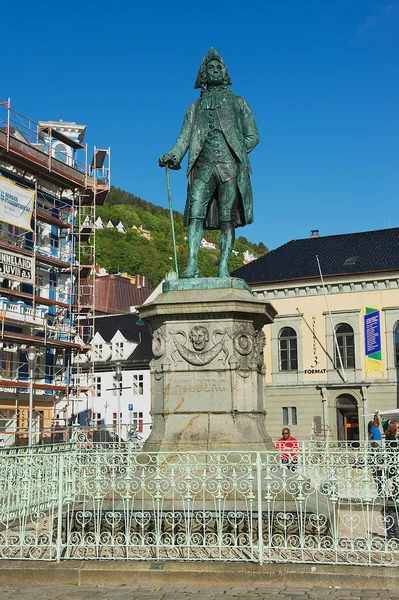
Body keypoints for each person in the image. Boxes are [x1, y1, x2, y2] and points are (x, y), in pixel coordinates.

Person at [159, 47, 260, 278]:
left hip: (229, 168)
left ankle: (223, 267)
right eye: (210, 68)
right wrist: (173, 155)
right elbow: (184, 137)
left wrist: (238, 153)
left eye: (218, 68)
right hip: (203, 168)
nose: (214, 71)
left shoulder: (238, 103)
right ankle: (192, 265)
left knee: (228, 219)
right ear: (203, 75)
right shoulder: (194, 108)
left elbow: (253, 135)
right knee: (195, 214)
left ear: (224, 74)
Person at [385, 420, 399, 499]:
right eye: (397, 427)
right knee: (392, 475)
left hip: (392, 458)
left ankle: (393, 491)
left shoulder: (390, 435)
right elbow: (394, 447)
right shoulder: (390, 436)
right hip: (392, 458)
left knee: (392, 475)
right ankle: (392, 492)